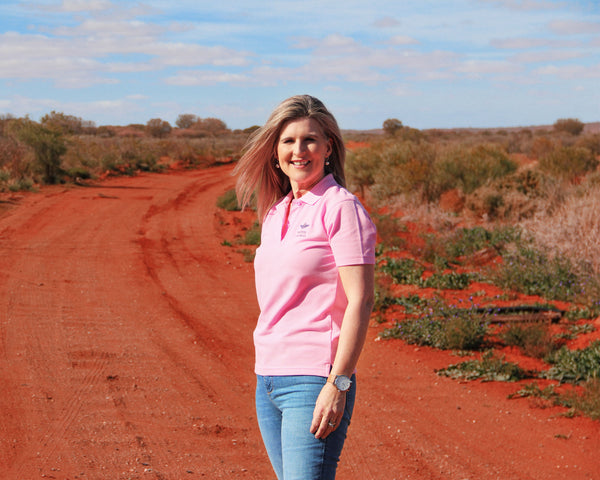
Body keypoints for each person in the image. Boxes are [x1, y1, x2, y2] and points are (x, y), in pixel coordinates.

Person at [234, 95, 377, 480]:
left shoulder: (340, 207)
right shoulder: (276, 211)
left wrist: (338, 383)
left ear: (328, 147)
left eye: (310, 140)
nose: (299, 150)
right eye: (288, 141)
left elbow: (361, 300)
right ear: (275, 151)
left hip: (314, 380)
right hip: (268, 377)